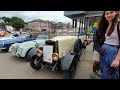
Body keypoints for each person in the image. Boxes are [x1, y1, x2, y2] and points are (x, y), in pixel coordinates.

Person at [93, 11, 120, 79]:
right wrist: (100, 49)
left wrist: (117, 59)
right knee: (103, 70)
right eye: (107, 13)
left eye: (111, 12)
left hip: (112, 51)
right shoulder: (107, 25)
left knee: (110, 73)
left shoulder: (118, 25)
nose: (109, 15)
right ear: (104, 15)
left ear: (116, 13)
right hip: (103, 50)